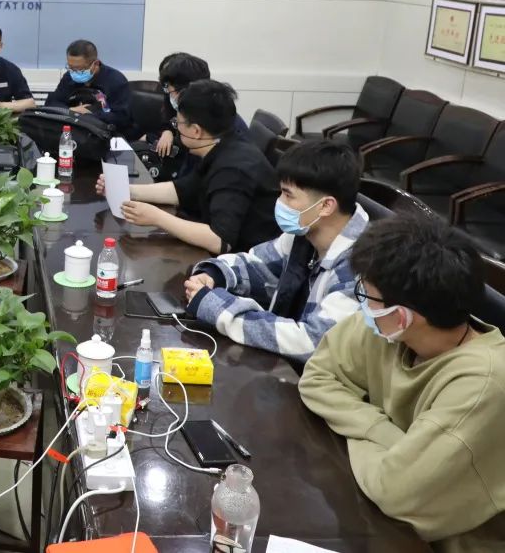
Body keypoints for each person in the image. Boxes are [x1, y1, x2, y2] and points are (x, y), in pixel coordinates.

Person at [300, 216, 505, 551]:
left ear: (404, 315)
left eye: (367, 294)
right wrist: (384, 434)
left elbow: (395, 491)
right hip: (374, 513)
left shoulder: (484, 384)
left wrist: (354, 424)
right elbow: (318, 376)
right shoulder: (390, 327)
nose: (363, 304)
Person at [181, 140, 367, 363]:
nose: (279, 202)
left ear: (326, 206)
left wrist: (218, 309)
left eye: (288, 195)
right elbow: (259, 265)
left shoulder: (360, 266)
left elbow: (312, 342)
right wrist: (215, 275)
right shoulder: (306, 232)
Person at [96, 80, 279, 253]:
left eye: (179, 123)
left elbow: (220, 241)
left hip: (249, 262)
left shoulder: (233, 169)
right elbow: (183, 190)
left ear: (196, 131)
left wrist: (157, 218)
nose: (176, 128)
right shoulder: (223, 145)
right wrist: (125, 190)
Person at [46, 39, 132, 136]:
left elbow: (121, 118)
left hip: (105, 134)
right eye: (70, 67)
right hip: (73, 131)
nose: (74, 72)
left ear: (95, 64)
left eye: (80, 69)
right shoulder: (69, 77)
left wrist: (89, 114)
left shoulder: (116, 81)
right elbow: (52, 103)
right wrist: (71, 110)